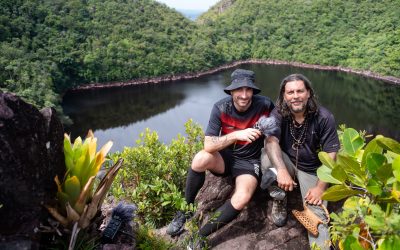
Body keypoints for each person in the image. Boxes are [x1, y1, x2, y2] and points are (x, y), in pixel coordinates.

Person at [166, 69, 275, 249]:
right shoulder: (221, 107)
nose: (244, 95)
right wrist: (237, 135)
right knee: (200, 158)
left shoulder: (264, 105)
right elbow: (208, 145)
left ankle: (200, 235)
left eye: (248, 90)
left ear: (253, 91)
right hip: (225, 157)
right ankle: (185, 211)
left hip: (249, 161)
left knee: (242, 198)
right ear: (231, 91)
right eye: (239, 89)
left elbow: (279, 127)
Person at [261, 73, 340, 249]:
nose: (295, 96)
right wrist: (281, 170)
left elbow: (331, 154)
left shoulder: (323, 117)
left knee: (316, 218)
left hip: (311, 170)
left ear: (308, 93)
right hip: (287, 162)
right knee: (267, 158)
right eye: (290, 92)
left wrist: (320, 188)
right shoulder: (279, 113)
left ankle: (321, 247)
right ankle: (280, 197)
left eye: (300, 91)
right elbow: (271, 141)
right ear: (284, 95)